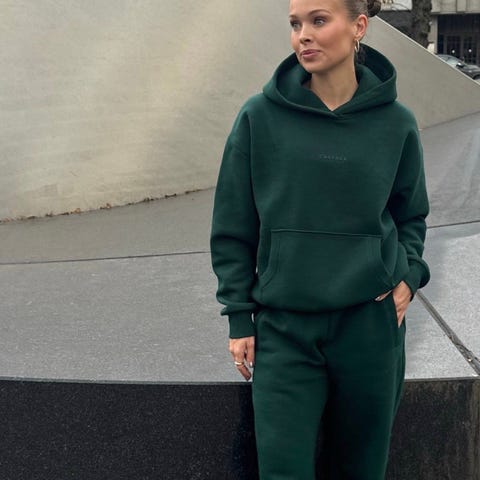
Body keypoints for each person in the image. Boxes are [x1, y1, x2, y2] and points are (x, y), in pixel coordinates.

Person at [210, 0, 430, 477]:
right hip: (285, 331)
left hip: (371, 327)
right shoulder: (258, 117)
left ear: (358, 26)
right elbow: (233, 224)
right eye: (295, 24)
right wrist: (238, 315)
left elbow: (411, 214)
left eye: (319, 20)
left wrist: (409, 277)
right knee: (283, 470)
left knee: (361, 470)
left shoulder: (396, 123)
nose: (303, 35)